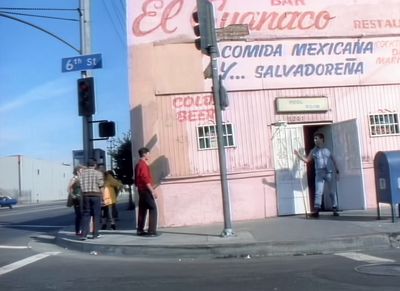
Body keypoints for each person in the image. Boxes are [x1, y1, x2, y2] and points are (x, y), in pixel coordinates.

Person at [294, 132, 340, 218]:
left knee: (332, 192)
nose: (315, 140)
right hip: (319, 173)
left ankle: (335, 208)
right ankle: (317, 210)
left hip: (329, 172)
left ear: (322, 139)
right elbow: (307, 160)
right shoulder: (313, 151)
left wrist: (337, 170)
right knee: (318, 192)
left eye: (317, 138)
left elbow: (334, 159)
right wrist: (298, 155)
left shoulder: (328, 149)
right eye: (314, 139)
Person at [134, 147, 159, 236]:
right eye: (148, 153)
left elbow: (137, 180)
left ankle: (140, 230)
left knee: (142, 210)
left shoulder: (138, 165)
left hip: (141, 190)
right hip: (145, 190)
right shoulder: (143, 165)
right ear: (144, 154)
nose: (149, 155)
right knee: (153, 208)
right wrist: (152, 191)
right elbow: (145, 179)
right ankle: (151, 230)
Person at [79, 159, 104, 240]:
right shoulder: (98, 173)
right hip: (96, 195)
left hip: (86, 195)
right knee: (96, 215)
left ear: (87, 165)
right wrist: (103, 197)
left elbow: (80, 185)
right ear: (95, 165)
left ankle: (84, 234)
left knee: (86, 215)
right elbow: (101, 186)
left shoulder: (82, 174)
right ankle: (95, 234)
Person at [66, 166, 82, 235]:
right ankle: (78, 230)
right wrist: (73, 196)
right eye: (81, 170)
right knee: (79, 215)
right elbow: (68, 188)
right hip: (77, 199)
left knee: (83, 215)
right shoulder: (74, 178)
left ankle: (81, 230)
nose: (82, 172)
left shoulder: (81, 178)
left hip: (82, 198)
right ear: (77, 171)